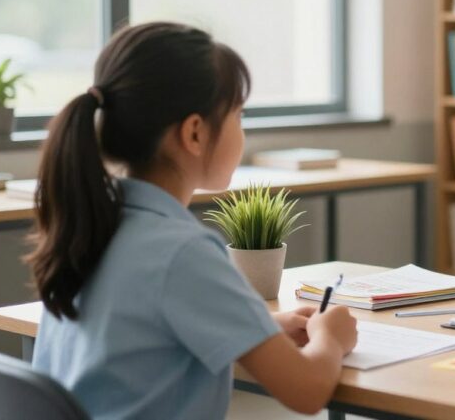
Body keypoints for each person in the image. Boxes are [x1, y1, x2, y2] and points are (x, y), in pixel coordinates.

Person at [27, 22, 358, 419]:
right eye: (238, 114)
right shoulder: (182, 251)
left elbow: (147, 326)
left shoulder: (95, 225)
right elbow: (307, 391)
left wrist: (260, 326)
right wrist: (331, 338)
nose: (241, 130)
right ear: (195, 133)